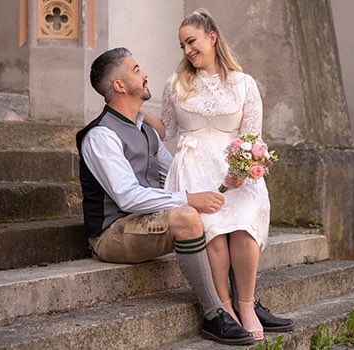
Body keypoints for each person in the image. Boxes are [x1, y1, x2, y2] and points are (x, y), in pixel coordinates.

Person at [76, 47, 256, 345]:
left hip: (143, 222)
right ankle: (214, 314)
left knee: (220, 213)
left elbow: (174, 177)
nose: (144, 74)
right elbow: (127, 198)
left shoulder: (145, 130)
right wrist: (188, 199)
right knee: (187, 215)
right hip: (112, 234)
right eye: (136, 70)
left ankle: (241, 300)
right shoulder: (101, 135)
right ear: (119, 86)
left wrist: (222, 185)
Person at [144, 9, 294, 340]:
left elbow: (252, 137)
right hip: (193, 169)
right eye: (182, 45)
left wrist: (242, 170)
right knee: (213, 235)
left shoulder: (244, 83)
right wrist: (134, 110)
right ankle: (223, 308)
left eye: (191, 41)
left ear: (212, 38)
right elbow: (167, 129)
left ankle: (246, 305)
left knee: (242, 231)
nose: (186, 50)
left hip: (236, 173)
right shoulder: (176, 83)